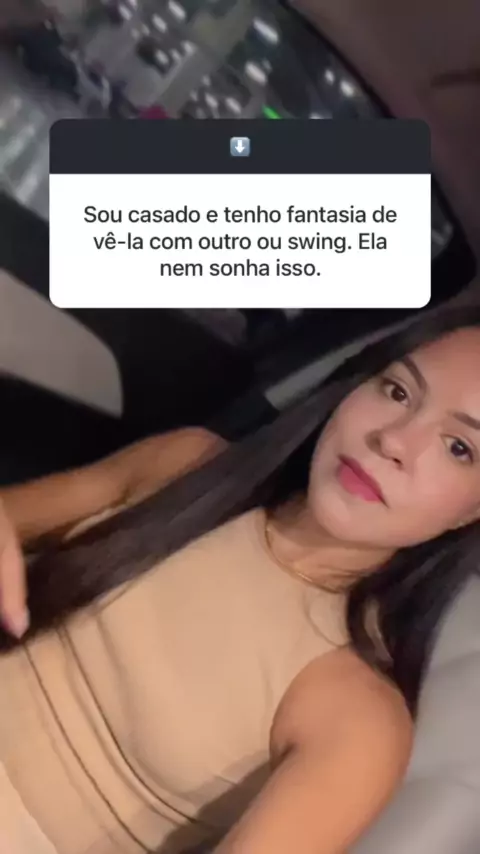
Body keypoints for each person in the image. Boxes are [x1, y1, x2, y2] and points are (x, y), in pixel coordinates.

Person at [2, 302, 480, 854]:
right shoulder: (190, 467)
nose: (393, 441)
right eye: (397, 392)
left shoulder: (358, 718)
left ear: (471, 514)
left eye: (458, 448)